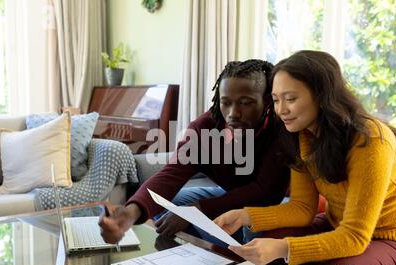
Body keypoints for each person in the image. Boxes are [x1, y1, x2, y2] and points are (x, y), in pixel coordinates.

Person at [214, 50, 396, 265]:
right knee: (262, 239)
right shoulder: (302, 136)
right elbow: (302, 209)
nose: (281, 110)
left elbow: (355, 236)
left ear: (322, 96)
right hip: (339, 225)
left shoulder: (370, 138)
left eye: (290, 98)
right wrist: (244, 215)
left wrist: (283, 248)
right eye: (276, 100)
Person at [99, 59, 290, 247]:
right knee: (166, 206)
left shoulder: (280, 128)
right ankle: (216, 250)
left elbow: (265, 193)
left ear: (266, 101)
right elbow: (171, 174)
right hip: (229, 195)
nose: (233, 113)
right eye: (226, 102)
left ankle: (233, 248)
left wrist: (197, 210)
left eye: (246, 103)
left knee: (255, 230)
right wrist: (130, 213)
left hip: (269, 206)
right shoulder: (205, 127)